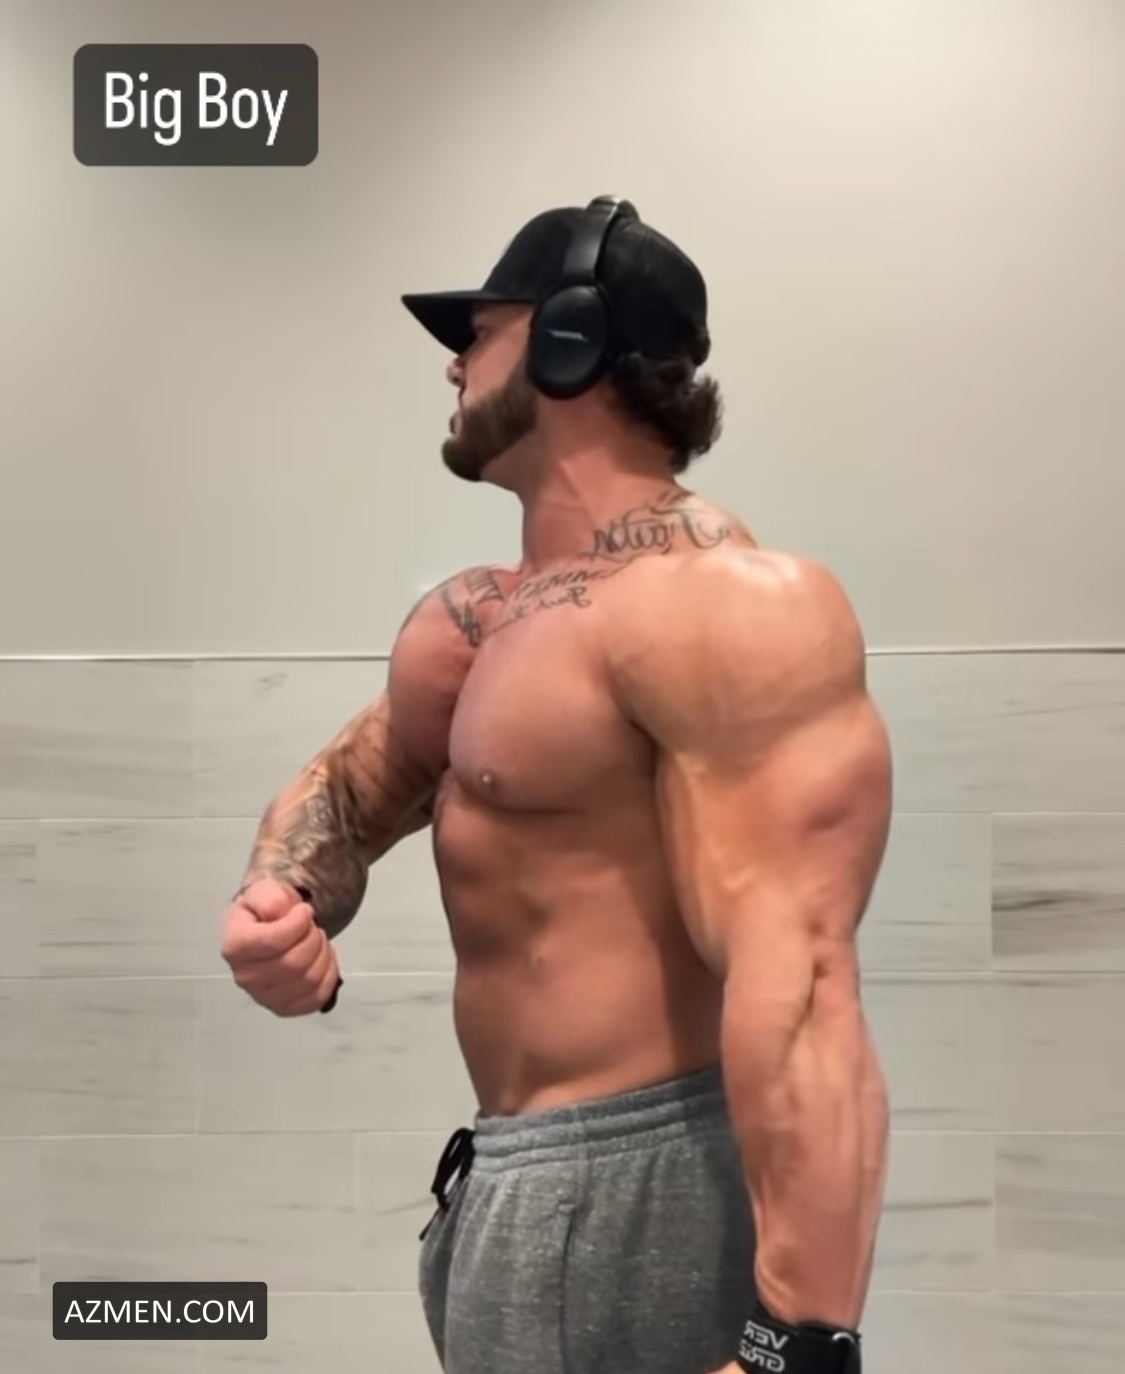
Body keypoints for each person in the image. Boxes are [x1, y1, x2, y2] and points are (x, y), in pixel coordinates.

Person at [220, 197, 893, 1374]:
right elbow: (354, 786)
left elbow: (805, 984)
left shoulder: (725, 606)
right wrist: (280, 900)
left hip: (648, 1181)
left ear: (570, 339)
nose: (453, 363)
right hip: (507, 1177)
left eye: (477, 332)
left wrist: (796, 1345)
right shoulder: (480, 621)